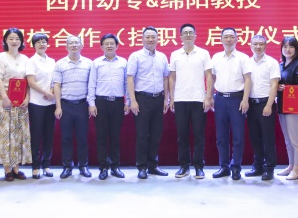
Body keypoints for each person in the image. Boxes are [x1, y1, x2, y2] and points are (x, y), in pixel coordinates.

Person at [168, 23, 213, 179]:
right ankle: (184, 166)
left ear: (195, 35)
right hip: (180, 99)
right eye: (185, 33)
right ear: (180, 36)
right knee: (182, 135)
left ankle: (199, 167)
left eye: (190, 32)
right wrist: (172, 97)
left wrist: (208, 97)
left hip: (198, 99)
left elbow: (209, 76)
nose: (188, 35)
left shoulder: (203, 53)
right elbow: (172, 77)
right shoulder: (175, 54)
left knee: (199, 135)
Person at [127, 26, 171, 179]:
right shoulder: (135, 56)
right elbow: (130, 78)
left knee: (156, 134)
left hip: (158, 99)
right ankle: (142, 167)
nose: (151, 39)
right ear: (142, 39)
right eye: (148, 37)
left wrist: (166, 99)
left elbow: (165, 78)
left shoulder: (162, 57)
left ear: (158, 39)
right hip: (142, 99)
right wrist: (132, 100)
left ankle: (153, 166)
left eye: (153, 37)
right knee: (142, 134)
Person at [0, 28, 31, 181]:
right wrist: (5, 97)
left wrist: (27, 97)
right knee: (5, 133)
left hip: (21, 101)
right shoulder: (1, 58)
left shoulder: (25, 59)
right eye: (11, 38)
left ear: (21, 41)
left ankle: (16, 168)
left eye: (17, 39)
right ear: (5, 40)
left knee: (18, 133)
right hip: (5, 100)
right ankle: (7, 169)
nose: (14, 41)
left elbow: (28, 81)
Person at [211, 27, 251, 181]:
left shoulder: (243, 58)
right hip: (220, 99)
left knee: (238, 136)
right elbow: (212, 79)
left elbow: (248, 79)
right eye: (226, 37)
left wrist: (245, 99)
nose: (228, 40)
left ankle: (236, 168)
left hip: (237, 99)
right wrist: (210, 96)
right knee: (221, 136)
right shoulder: (216, 57)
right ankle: (224, 167)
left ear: (236, 39)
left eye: (231, 37)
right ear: (221, 39)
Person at [88, 33, 129, 180]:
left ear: (117, 46)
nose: (109, 46)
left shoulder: (123, 62)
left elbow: (127, 84)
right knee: (101, 137)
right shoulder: (96, 63)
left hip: (117, 103)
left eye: (112, 43)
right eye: (106, 44)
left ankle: (115, 167)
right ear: (102, 47)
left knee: (115, 136)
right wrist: (92, 104)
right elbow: (91, 84)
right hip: (101, 103)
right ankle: (103, 167)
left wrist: (127, 102)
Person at [53, 35, 93, 179]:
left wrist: (91, 104)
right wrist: (58, 106)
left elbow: (91, 85)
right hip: (66, 105)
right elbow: (57, 86)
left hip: (82, 105)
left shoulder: (89, 63)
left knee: (82, 138)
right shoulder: (60, 64)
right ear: (66, 47)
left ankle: (83, 166)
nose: (74, 45)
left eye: (77, 43)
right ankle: (67, 166)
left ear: (82, 46)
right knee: (66, 138)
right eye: (71, 43)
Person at [246, 34, 280, 181]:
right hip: (251, 104)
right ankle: (258, 166)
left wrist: (269, 105)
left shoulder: (272, 62)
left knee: (268, 138)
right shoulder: (247, 62)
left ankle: (269, 168)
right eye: (255, 44)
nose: (258, 47)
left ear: (266, 45)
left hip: (265, 103)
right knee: (255, 138)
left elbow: (274, 85)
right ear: (251, 45)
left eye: (261, 44)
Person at [26, 33, 57, 179]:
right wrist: (45, 93)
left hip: (50, 103)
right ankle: (35, 166)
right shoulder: (31, 61)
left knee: (48, 135)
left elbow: (55, 80)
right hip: (36, 102)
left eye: (44, 41)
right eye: (38, 42)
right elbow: (31, 82)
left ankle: (46, 165)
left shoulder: (52, 61)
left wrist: (51, 93)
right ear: (34, 45)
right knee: (36, 135)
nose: (41, 44)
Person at [277, 36, 298, 180]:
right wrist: (277, 86)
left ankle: (297, 169)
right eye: (285, 46)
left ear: (296, 49)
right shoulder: (280, 65)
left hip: (295, 106)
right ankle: (291, 165)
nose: (287, 49)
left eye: (291, 46)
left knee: (295, 139)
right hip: (282, 105)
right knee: (288, 139)